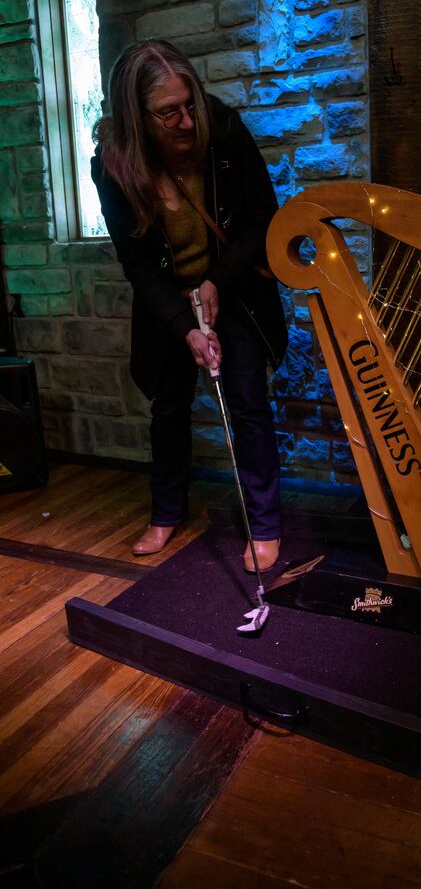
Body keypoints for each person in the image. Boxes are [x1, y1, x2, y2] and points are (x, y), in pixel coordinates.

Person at [91, 39, 286, 570]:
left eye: (189, 104)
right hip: (166, 300)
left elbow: (259, 217)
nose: (184, 120)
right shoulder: (112, 165)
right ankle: (166, 512)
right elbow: (135, 261)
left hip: (234, 287)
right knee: (169, 408)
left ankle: (264, 526)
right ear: (137, 117)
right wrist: (185, 326)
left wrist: (217, 282)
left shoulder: (222, 128)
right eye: (167, 112)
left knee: (246, 402)